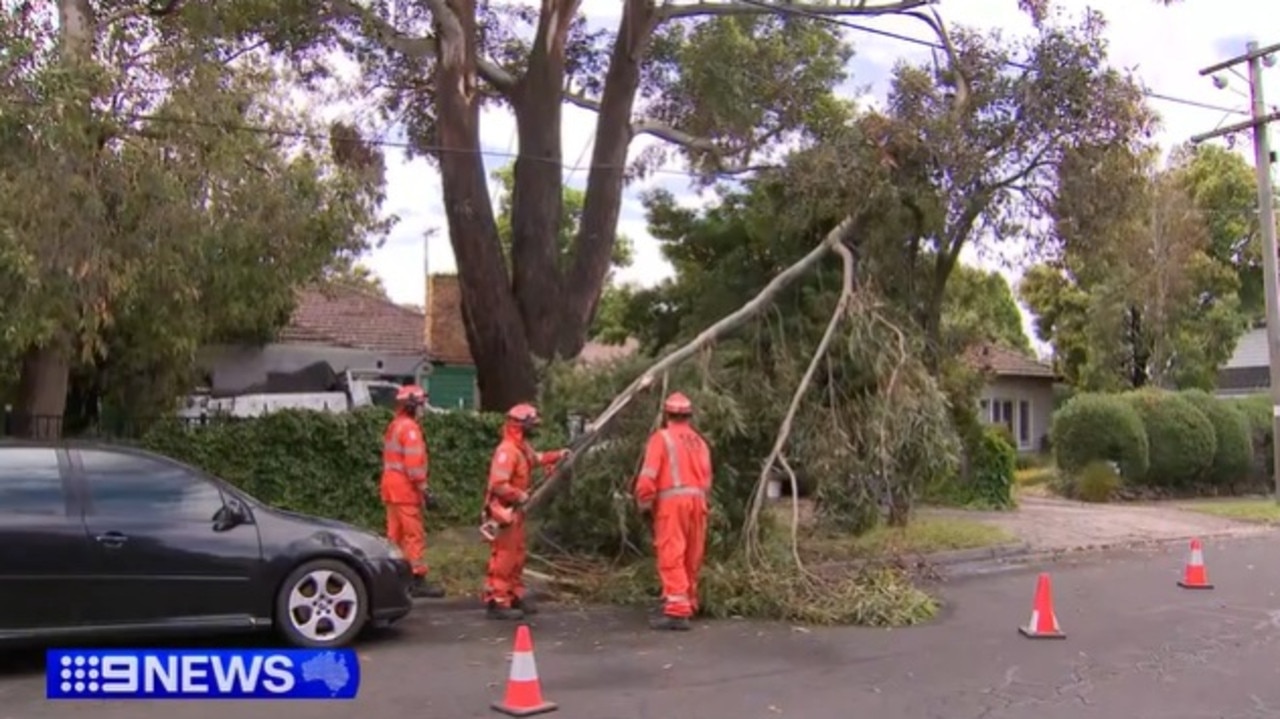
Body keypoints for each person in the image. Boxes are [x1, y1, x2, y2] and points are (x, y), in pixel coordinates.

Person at [482, 403, 571, 620]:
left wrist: (558, 455)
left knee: (517, 554)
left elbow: (537, 459)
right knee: (504, 556)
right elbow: (498, 484)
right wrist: (519, 495)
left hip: (516, 512)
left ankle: (513, 594)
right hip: (503, 511)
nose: (534, 428)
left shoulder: (521, 447)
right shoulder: (507, 451)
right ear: (519, 425)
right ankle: (498, 600)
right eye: (531, 424)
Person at [634, 392, 713, 631]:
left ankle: (677, 611)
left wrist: (644, 501)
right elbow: (708, 479)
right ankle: (688, 601)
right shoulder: (699, 441)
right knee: (692, 553)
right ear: (689, 415)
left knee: (672, 553)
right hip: (698, 501)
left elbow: (648, 474)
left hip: (672, 502)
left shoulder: (662, 438)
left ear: (666, 414)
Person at [381, 384, 445, 599]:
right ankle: (416, 579)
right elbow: (414, 464)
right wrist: (425, 489)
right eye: (420, 405)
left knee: (394, 535)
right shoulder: (410, 429)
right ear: (412, 406)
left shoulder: (395, 425)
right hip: (405, 489)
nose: (423, 409)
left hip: (390, 487)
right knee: (413, 535)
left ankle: (392, 576)